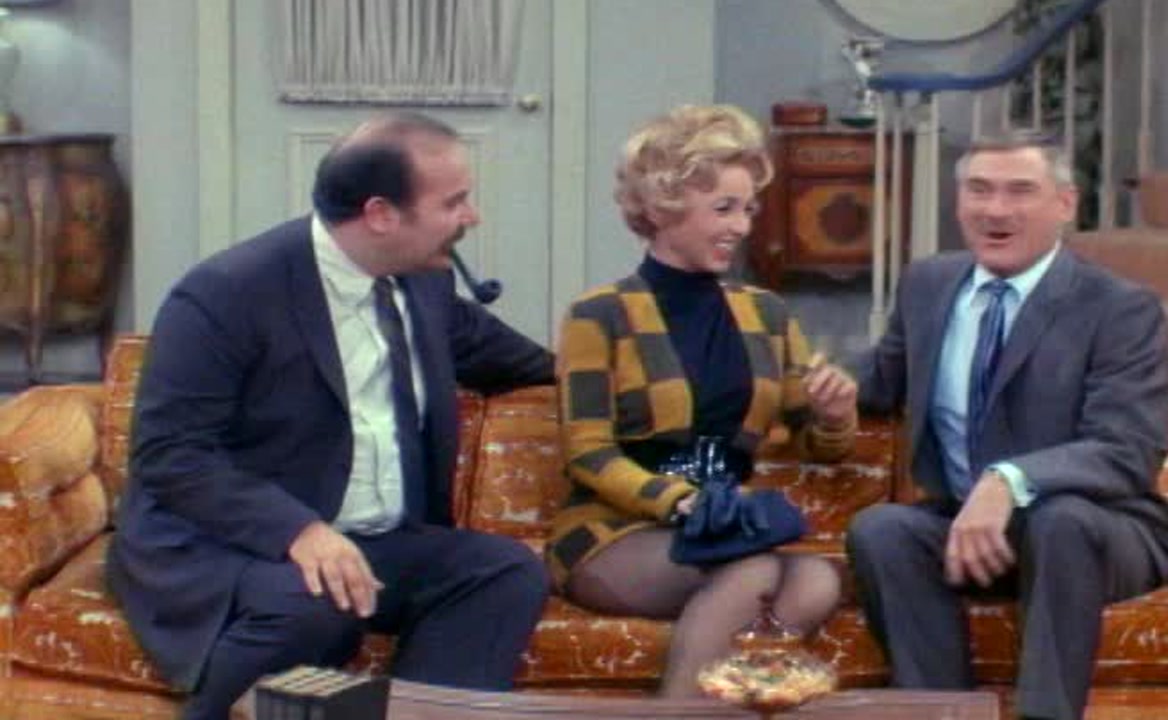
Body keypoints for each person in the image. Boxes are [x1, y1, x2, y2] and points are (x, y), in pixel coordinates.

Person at [106, 112, 556, 720]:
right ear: (381, 214)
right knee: (319, 604)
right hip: (235, 544)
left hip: (372, 539)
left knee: (502, 571)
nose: (470, 217)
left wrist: (614, 371)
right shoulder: (227, 294)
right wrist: (298, 531)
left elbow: (523, 361)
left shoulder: (424, 285)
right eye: (454, 202)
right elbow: (170, 454)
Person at [845, 129, 1168, 720]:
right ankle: (943, 712)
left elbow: (1128, 448)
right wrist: (829, 393)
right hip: (969, 528)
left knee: (1060, 521)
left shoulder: (1118, 308)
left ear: (1065, 204)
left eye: (1020, 191)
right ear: (959, 202)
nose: (996, 210)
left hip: (1101, 530)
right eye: (979, 190)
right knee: (882, 530)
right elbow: (879, 382)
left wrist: (1007, 480)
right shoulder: (928, 285)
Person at [546, 104, 860, 698]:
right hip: (615, 534)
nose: (741, 226)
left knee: (817, 580)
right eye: (723, 208)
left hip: (725, 533)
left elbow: (819, 445)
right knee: (755, 571)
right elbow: (587, 453)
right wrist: (679, 501)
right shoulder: (599, 314)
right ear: (662, 208)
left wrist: (835, 416)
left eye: (748, 209)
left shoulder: (766, 313)